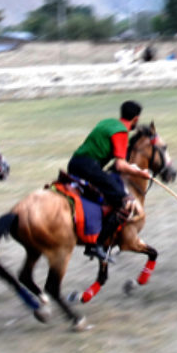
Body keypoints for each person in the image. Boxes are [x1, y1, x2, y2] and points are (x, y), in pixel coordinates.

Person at [67, 100, 151, 261]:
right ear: (135, 119)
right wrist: (140, 173)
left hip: (75, 163)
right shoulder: (121, 132)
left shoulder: (107, 123)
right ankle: (97, 245)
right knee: (125, 202)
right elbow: (120, 165)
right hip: (89, 167)